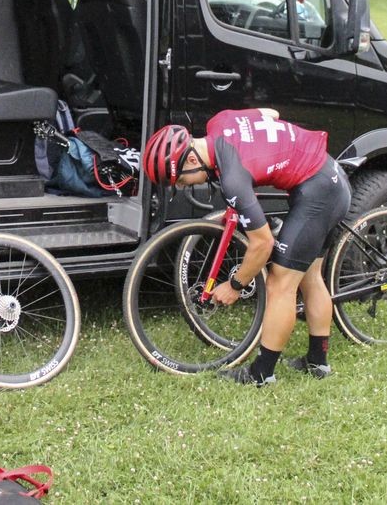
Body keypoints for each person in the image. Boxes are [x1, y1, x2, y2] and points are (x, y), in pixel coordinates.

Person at [140, 108, 352, 385]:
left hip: (319, 191)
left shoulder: (233, 177)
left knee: (280, 283)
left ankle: (262, 374)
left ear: (191, 158)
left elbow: (262, 244)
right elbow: (270, 113)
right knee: (309, 276)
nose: (182, 186)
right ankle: (318, 363)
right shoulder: (220, 121)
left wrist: (236, 285)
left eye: (180, 179)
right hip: (324, 176)